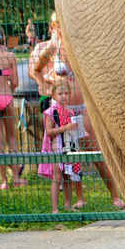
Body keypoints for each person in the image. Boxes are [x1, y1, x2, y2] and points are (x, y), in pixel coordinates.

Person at [30, 13, 125, 207]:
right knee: (72, 155)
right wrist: (45, 86)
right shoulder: (52, 48)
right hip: (64, 110)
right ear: (54, 27)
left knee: (95, 152)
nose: (62, 29)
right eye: (58, 26)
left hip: (82, 109)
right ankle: (80, 199)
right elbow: (34, 70)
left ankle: (116, 196)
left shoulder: (82, 47)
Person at [0, 25, 27, 189]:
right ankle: (16, 178)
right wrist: (8, 90)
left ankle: (3, 181)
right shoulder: (10, 56)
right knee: (12, 140)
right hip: (6, 97)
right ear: (3, 37)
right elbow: (15, 82)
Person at [42, 74, 84, 212]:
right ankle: (55, 209)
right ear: (53, 95)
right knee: (57, 177)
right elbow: (48, 131)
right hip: (57, 149)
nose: (63, 96)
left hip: (69, 147)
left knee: (67, 177)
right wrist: (65, 128)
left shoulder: (70, 111)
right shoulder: (51, 111)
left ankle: (67, 205)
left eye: (66, 93)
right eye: (60, 93)